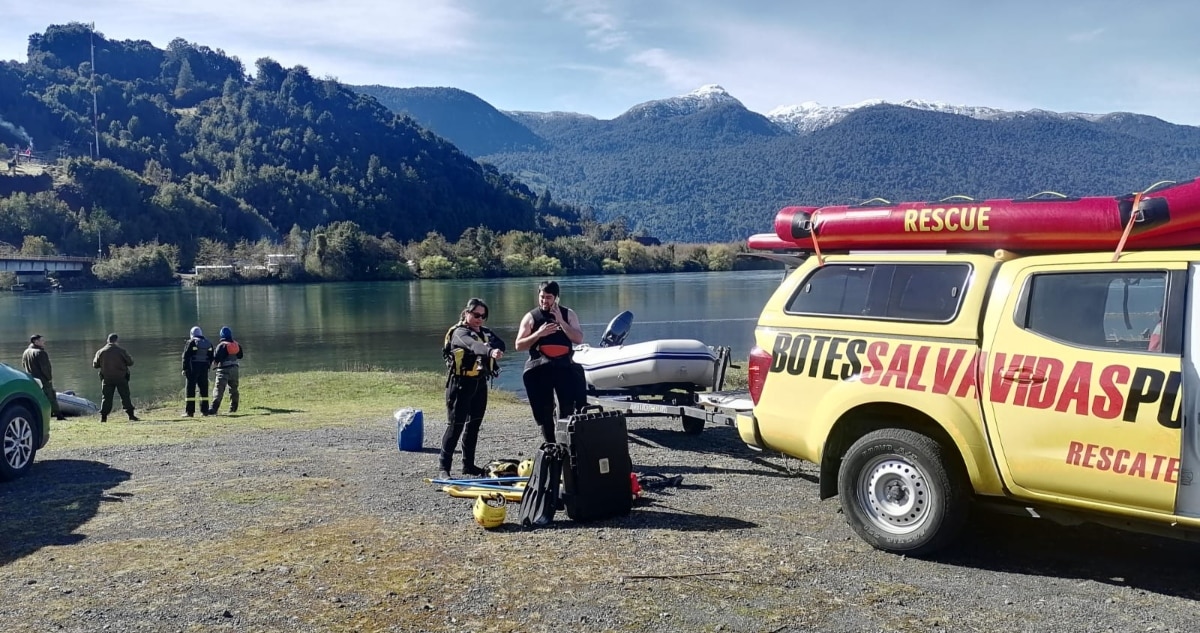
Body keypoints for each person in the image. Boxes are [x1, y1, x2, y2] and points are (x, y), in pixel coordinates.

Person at [439, 298, 506, 480]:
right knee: (456, 426)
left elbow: (501, 343)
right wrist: (489, 351)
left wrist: (493, 347)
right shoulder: (459, 333)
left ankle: (468, 465)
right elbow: (472, 345)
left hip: (479, 383)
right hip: (460, 385)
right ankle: (443, 468)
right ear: (466, 313)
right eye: (476, 315)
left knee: (474, 425)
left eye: (483, 316)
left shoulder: (485, 332)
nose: (480, 319)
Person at [514, 280, 587, 443]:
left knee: (567, 407)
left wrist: (561, 321)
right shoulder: (531, 317)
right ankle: (550, 444)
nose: (544, 301)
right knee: (545, 409)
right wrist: (538, 334)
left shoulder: (568, 314)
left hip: (564, 367)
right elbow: (518, 345)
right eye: (541, 297)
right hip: (541, 368)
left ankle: (565, 444)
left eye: (548, 297)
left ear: (556, 298)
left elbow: (578, 339)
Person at [92, 333, 138, 423]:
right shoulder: (121, 351)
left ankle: (103, 418)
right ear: (116, 341)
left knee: (106, 398)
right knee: (125, 397)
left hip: (107, 378)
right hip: (121, 377)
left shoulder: (100, 351)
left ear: (107, 340)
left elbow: (95, 365)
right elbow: (130, 362)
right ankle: (131, 416)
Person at [21, 334, 66, 421]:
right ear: (35, 341)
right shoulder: (40, 353)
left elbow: (23, 364)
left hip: (32, 379)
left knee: (37, 397)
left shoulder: (26, 352)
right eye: (41, 340)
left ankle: (38, 415)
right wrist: (49, 378)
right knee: (51, 396)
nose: (44, 342)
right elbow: (45, 368)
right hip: (43, 380)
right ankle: (59, 415)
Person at [209, 326, 243, 415]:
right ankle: (233, 408)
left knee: (219, 389)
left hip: (223, 371)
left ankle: (213, 409)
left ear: (221, 335)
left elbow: (216, 359)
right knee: (234, 389)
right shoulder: (236, 344)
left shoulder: (222, 345)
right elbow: (240, 355)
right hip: (235, 370)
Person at [181, 326, 214, 417]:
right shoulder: (208, 343)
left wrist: (185, 369)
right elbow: (211, 357)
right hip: (204, 369)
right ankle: (205, 411)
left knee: (190, 390)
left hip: (192, 369)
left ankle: (190, 412)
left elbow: (185, 357)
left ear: (192, 334)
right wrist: (208, 366)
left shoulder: (191, 342)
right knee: (204, 390)